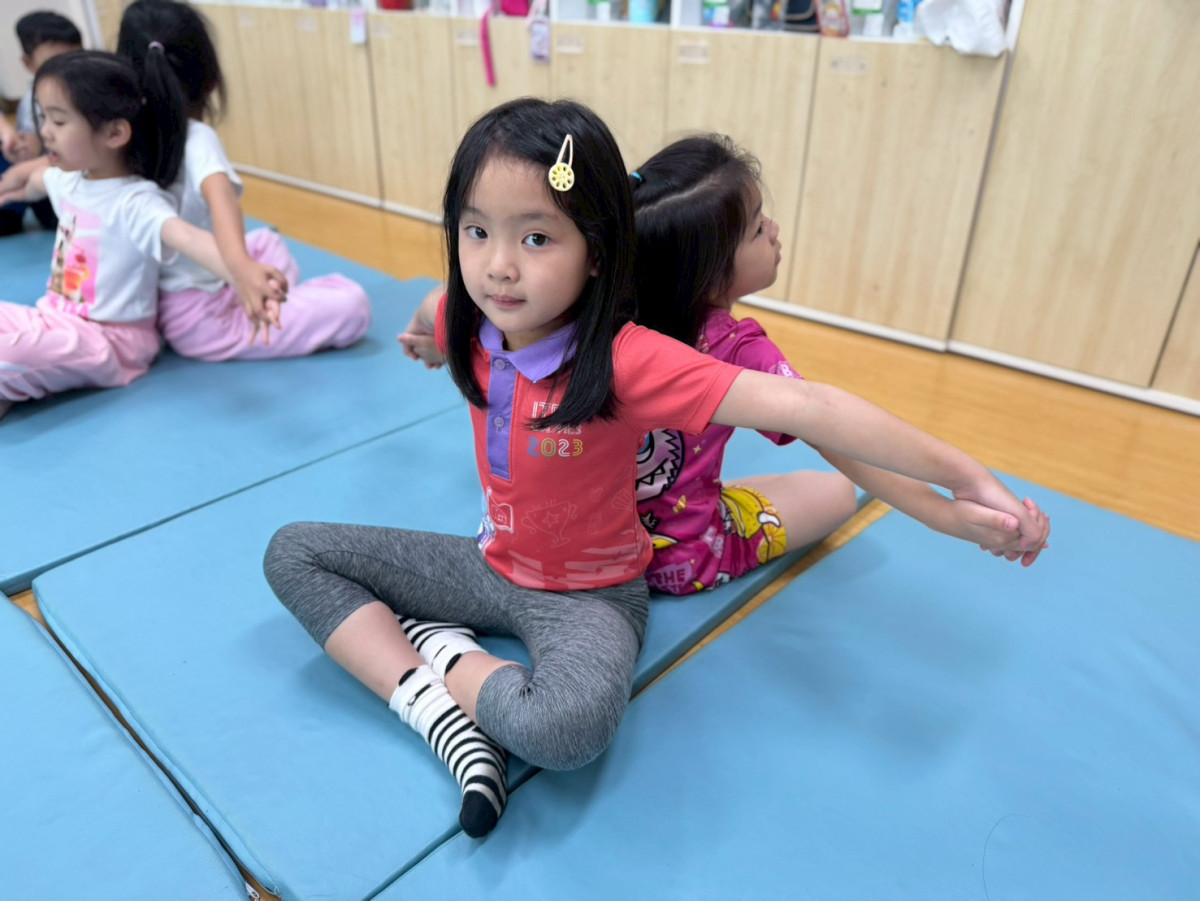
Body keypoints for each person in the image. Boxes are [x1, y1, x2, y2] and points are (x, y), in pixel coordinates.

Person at [263, 98, 1049, 840]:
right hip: (490, 562)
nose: (498, 266)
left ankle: (439, 654)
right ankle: (437, 706)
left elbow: (814, 409)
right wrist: (429, 340)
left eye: (535, 239)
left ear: (596, 252)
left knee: (563, 731)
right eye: (476, 231)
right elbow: (434, 308)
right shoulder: (470, 320)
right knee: (293, 551)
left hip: (594, 596)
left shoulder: (630, 357)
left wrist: (965, 482)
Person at [116, 0, 371, 359]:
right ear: (210, 79)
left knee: (267, 242)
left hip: (179, 296)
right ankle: (260, 301)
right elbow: (221, 199)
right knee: (353, 304)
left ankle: (262, 295)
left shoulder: (121, 137)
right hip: (203, 319)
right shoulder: (197, 138)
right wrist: (241, 270)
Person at [0, 50, 231, 419]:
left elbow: (187, 238)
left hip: (111, 340)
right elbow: (37, 181)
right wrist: (14, 188)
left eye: (58, 121)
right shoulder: (68, 180)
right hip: (52, 319)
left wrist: (242, 272)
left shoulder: (135, 201)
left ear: (114, 133)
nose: (45, 132)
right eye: (43, 118)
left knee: (10, 355)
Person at [0, 11, 82, 235]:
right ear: (28, 63)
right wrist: (21, 150)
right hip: (53, 186)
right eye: (53, 63)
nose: (66, 70)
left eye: (75, 58)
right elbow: (32, 147)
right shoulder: (30, 102)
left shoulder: (88, 91)